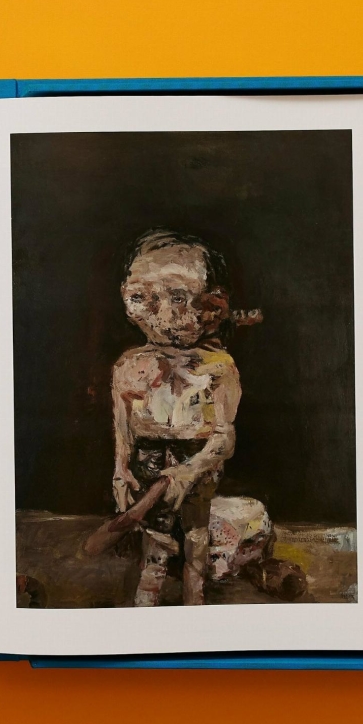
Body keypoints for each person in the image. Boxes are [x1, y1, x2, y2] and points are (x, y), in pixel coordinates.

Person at [111, 229, 241, 606]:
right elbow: (123, 428)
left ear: (212, 306)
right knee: (155, 536)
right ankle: (148, 595)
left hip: (197, 460)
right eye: (143, 297)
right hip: (148, 456)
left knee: (195, 533)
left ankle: (194, 595)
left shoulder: (219, 368)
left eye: (178, 297)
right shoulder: (129, 368)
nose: (161, 314)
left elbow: (224, 438)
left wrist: (188, 470)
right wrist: (121, 468)